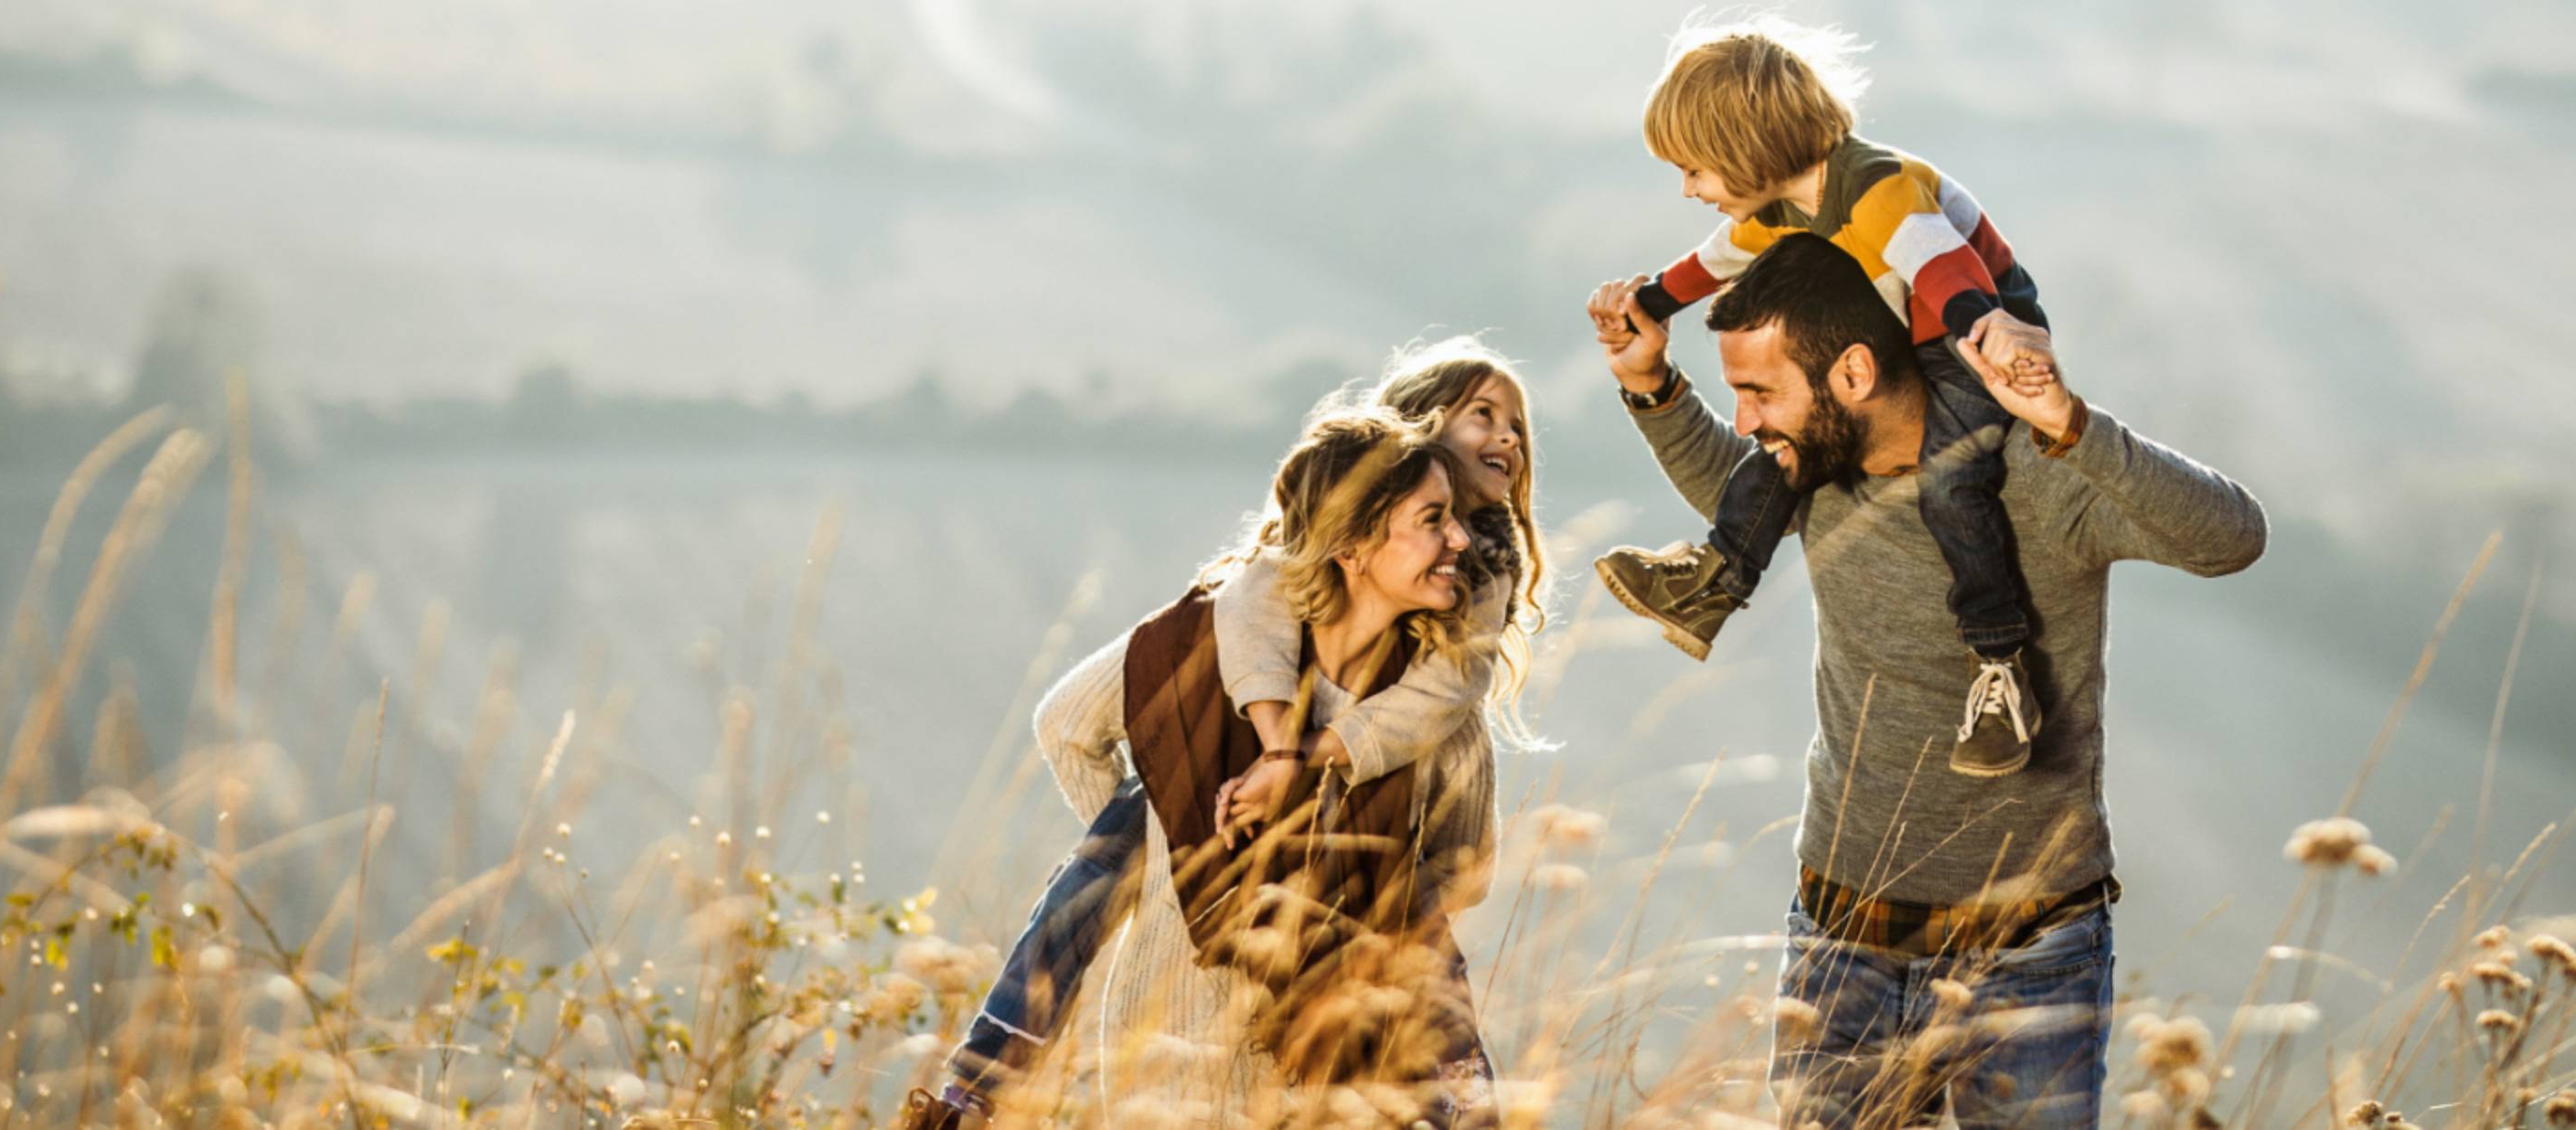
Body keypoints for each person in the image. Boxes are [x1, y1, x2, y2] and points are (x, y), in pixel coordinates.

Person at [1587, 232, 2266, 1128]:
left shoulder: (2033, 477)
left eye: (1758, 393)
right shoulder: (1813, 474)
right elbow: (1727, 487)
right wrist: (1650, 383)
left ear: (1855, 374)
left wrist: (2070, 426)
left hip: (2030, 951)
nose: (1746, 422)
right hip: (1843, 937)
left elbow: (2228, 537)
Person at [900, 400, 1525, 1128]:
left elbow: (1466, 864)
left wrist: (1178, 853)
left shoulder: (1435, 708)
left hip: (1313, 1060)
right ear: (1351, 546)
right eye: (1432, 519)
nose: (1459, 538)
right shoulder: (1213, 639)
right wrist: (1173, 848)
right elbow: (1067, 724)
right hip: (1181, 1036)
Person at [1588, 17, 2065, 777]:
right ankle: (1715, 581)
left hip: (1969, 337)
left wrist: (1996, 339)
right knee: (1790, 439)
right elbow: (1707, 266)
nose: (1688, 189)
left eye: (1696, 169)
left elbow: (1947, 275)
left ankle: (2000, 665)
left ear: (1748, 148)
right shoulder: (1778, 209)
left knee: (1952, 480)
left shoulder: (1879, 189)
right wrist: (1646, 303)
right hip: (1894, 338)